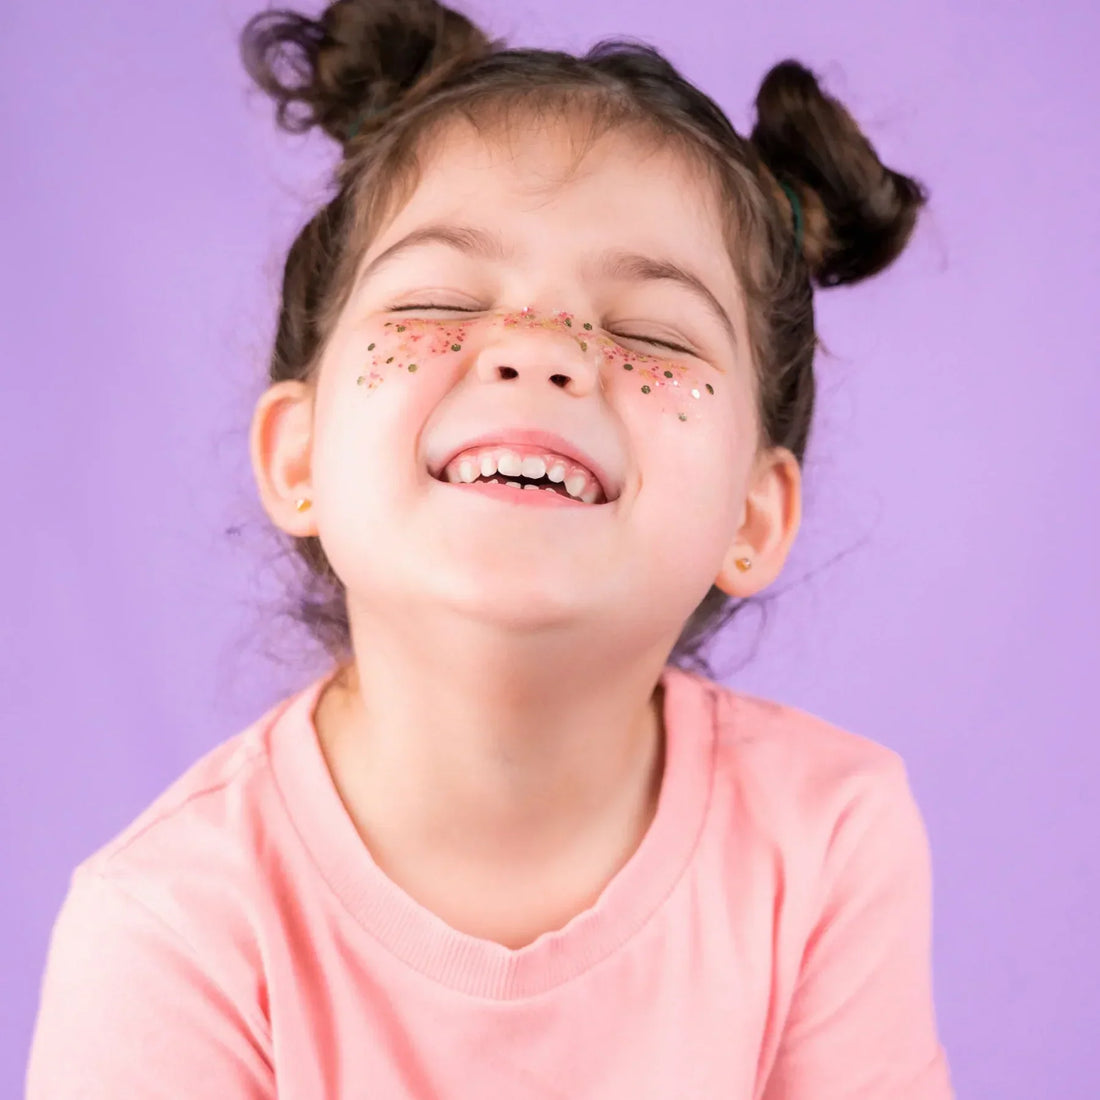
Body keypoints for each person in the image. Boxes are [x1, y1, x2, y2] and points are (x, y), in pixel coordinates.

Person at [26, 0, 954, 1095]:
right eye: (440, 301)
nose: (536, 350)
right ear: (298, 454)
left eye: (650, 331)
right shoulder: (169, 923)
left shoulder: (828, 833)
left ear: (752, 516)